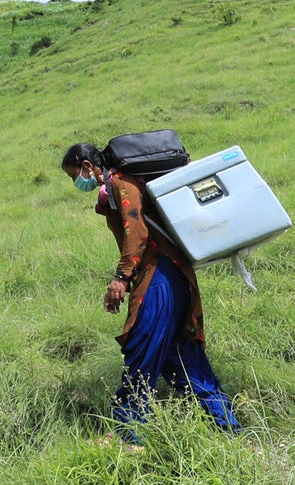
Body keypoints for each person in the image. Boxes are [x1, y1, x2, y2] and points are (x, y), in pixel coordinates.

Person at [61, 142, 241, 444]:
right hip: (168, 276)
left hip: (160, 277)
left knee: (141, 351)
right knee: (180, 360)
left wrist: (121, 278)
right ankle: (231, 430)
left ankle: (128, 437)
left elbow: (138, 232)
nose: (77, 183)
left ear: (87, 166)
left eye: (74, 175)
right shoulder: (113, 193)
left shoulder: (121, 183)